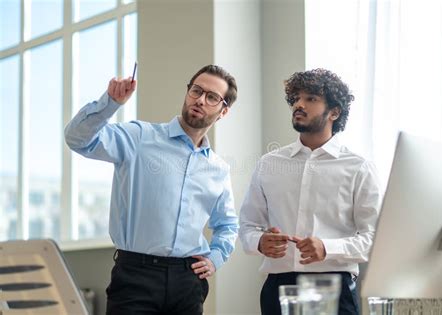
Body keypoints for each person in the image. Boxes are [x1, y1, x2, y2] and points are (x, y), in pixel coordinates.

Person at [65, 64, 239, 315]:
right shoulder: (139, 137)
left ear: (223, 111)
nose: (200, 100)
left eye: (212, 97)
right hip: (135, 278)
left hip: (188, 283)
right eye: (196, 90)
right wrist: (110, 103)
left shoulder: (218, 169)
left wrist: (215, 258)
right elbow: (77, 139)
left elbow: (228, 224)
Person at [239, 68, 381, 315]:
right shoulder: (269, 163)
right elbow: (247, 226)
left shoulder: (359, 167)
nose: (299, 105)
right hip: (277, 288)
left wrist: (327, 248)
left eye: (311, 99)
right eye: (296, 99)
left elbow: (374, 239)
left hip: (335, 289)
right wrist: (260, 242)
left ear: (334, 112)